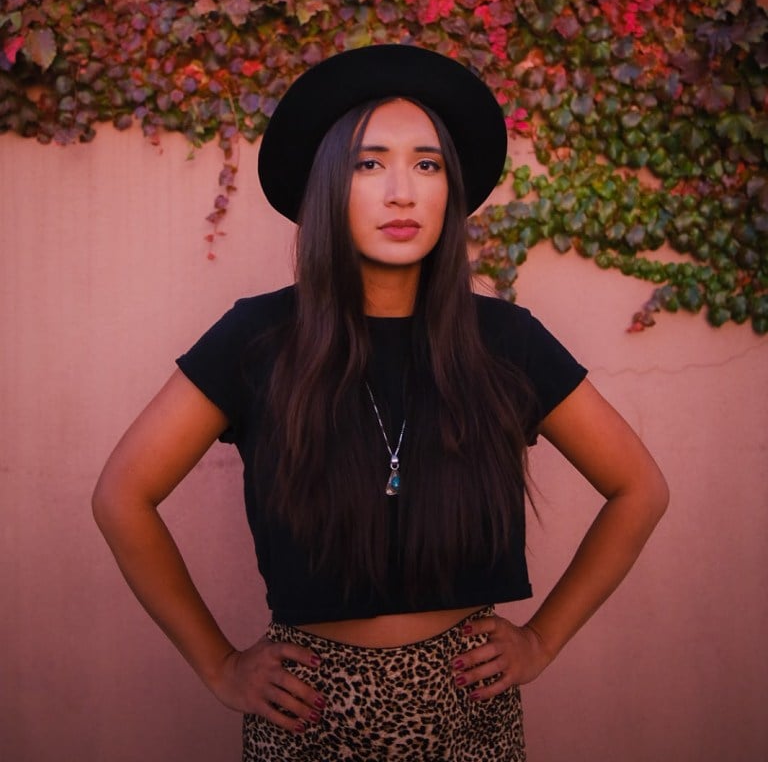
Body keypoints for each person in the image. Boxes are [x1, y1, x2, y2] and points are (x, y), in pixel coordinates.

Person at [93, 43, 669, 761]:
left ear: (449, 190)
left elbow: (640, 488)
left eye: (427, 165)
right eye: (370, 164)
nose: (403, 192)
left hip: (466, 721)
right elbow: (122, 495)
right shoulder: (257, 338)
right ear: (329, 186)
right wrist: (219, 665)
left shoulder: (507, 341)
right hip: (309, 720)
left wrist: (542, 639)